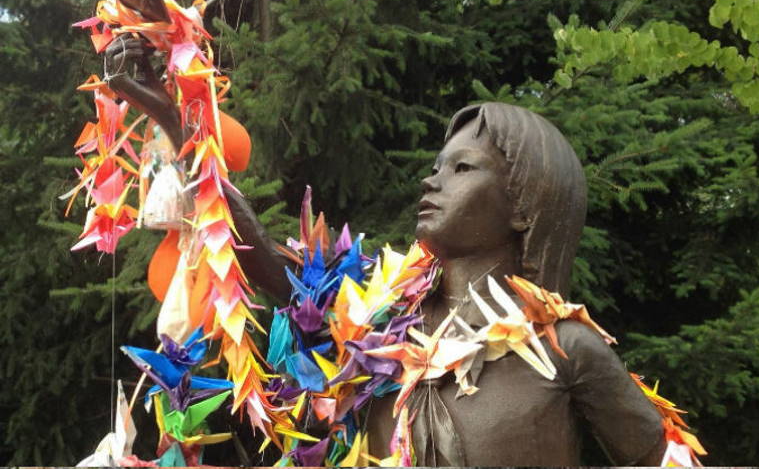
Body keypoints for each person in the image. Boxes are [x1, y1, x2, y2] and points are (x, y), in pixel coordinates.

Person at [106, 39, 666, 466]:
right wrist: (177, 120)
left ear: (526, 204)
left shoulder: (568, 350)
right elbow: (266, 264)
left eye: (462, 168)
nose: (431, 182)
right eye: (435, 167)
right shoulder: (382, 324)